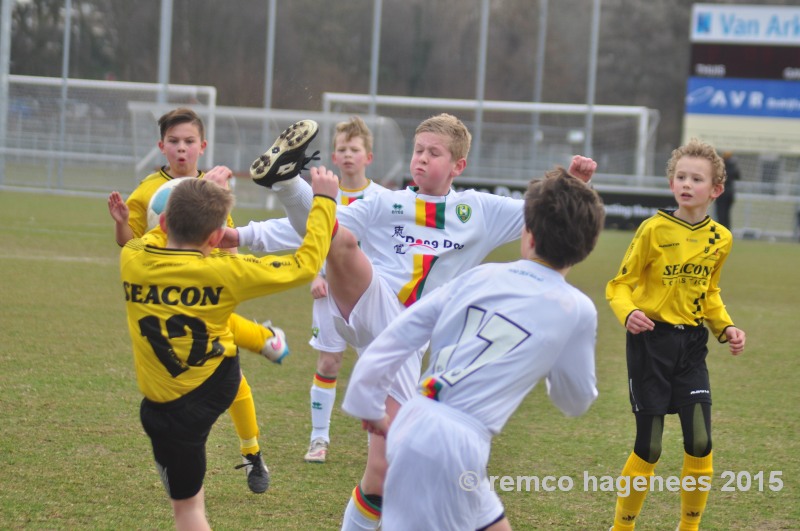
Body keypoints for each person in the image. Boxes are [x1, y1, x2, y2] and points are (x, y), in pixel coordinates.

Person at [227, 113, 597, 530]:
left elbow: (550, 218)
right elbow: (319, 231)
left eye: (433, 153)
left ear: (458, 166)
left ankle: (288, 184)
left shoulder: (481, 210)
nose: (421, 159)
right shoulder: (386, 201)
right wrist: (244, 236)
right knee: (341, 240)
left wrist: (575, 183)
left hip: (405, 343)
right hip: (373, 305)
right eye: (417, 150)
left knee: (381, 474)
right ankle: (287, 182)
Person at [341, 168, 605, 530]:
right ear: (587, 247)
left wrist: (366, 401)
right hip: (456, 443)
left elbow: (397, 334)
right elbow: (572, 401)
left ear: (527, 233)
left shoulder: (480, 276)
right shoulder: (576, 309)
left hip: (417, 419)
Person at [120, 175, 338, 531]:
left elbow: (155, 235)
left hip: (174, 405)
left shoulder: (132, 258)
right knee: (212, 319)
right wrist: (324, 202)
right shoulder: (225, 271)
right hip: (207, 388)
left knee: (188, 512)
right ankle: (267, 339)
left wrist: (194, 190)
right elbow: (303, 264)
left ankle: (265, 338)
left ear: (162, 222)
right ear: (216, 238)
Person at [108, 107, 282, 493]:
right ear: (161, 146)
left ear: (203, 146)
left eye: (189, 141)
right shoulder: (148, 192)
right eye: (174, 142)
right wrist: (122, 222)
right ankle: (265, 343)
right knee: (215, 376)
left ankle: (253, 454)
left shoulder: (214, 189)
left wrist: (231, 271)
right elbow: (131, 245)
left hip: (210, 294)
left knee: (233, 380)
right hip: (170, 299)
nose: (181, 149)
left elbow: (230, 242)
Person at [606, 138, 746, 531]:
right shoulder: (653, 229)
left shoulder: (722, 239)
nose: (686, 184)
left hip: (691, 346)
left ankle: (689, 528)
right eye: (680, 176)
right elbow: (619, 284)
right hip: (650, 343)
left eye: (696, 179)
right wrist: (629, 312)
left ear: (715, 190)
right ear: (672, 183)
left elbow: (710, 293)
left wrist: (727, 327)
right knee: (649, 447)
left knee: (700, 441)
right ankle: (623, 527)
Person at [236, 116, 388, 463]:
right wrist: (317, 275)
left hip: (371, 296)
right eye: (342, 150)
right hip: (328, 295)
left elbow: (382, 250)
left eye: (355, 149)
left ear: (369, 157)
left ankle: (376, 446)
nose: (348, 155)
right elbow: (304, 233)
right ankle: (319, 440)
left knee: (378, 368)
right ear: (333, 157)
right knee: (329, 362)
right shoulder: (321, 194)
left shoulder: (382, 199)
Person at [716, 151, 740, 231]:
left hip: (721, 193)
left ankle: (721, 230)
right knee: (727, 214)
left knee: (720, 213)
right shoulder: (733, 165)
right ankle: (728, 230)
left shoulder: (721, 166)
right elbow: (738, 176)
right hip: (730, 193)